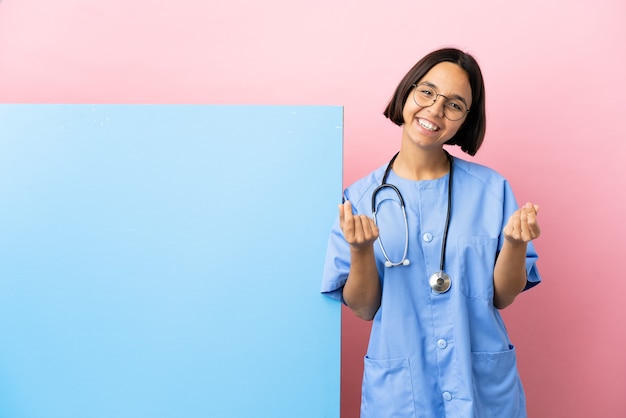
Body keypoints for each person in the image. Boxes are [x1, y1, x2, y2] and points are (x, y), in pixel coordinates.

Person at [321, 47, 541, 418]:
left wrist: (516, 245)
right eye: (427, 92)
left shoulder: (492, 190)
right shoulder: (359, 198)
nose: (436, 110)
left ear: (465, 120)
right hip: (403, 392)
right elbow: (363, 308)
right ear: (407, 92)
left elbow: (502, 297)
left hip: (480, 388)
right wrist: (360, 251)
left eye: (455, 104)